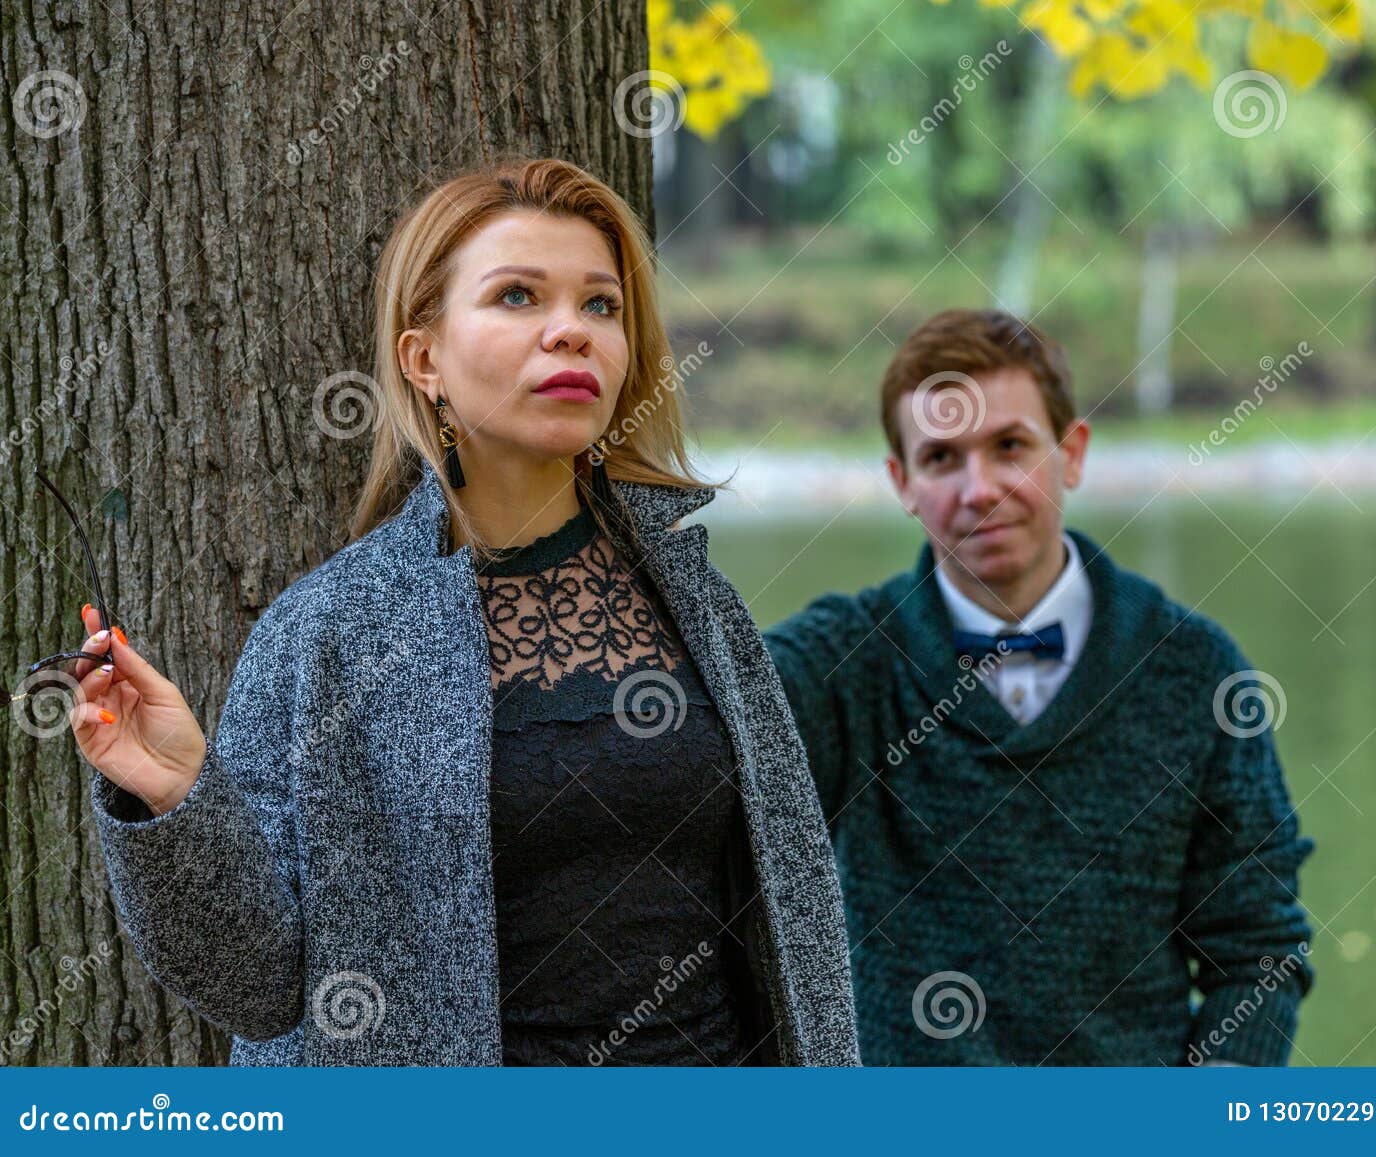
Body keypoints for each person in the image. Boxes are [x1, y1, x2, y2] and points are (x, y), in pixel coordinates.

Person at [65, 157, 858, 1067]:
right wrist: (177, 794)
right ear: (424, 359)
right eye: (518, 296)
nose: (572, 331)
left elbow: (785, 929)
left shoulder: (695, 597)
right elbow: (258, 986)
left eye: (601, 305)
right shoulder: (330, 631)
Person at [763, 308, 1315, 1066]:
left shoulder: (1196, 669)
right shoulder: (838, 666)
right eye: (942, 458)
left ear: (1072, 452)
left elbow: (1257, 949)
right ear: (903, 483)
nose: (980, 489)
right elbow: (699, 728)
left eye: (1010, 446)